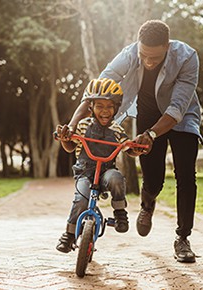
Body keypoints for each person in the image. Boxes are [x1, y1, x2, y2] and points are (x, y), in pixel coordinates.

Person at [62, 20, 202, 263]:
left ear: (167, 47)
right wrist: (73, 124)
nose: (148, 61)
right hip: (148, 115)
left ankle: (183, 238)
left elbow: (177, 107)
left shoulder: (187, 57)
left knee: (186, 176)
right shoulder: (129, 54)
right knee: (153, 179)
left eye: (154, 58)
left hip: (181, 118)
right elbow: (98, 89)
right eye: (144, 55)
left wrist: (152, 135)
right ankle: (148, 204)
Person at [55, 78, 143, 253]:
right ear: (91, 108)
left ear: (116, 108)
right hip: (84, 173)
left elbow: (128, 148)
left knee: (116, 178)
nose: (105, 111)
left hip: (106, 173)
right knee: (81, 200)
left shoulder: (117, 130)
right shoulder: (82, 125)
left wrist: (137, 149)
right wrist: (65, 139)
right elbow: (70, 146)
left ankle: (119, 213)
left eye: (109, 106)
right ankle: (69, 235)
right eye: (99, 106)